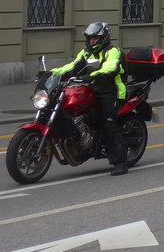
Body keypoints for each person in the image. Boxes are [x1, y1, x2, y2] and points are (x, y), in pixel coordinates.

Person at [51, 21, 129, 175]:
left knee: (108, 125)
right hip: (92, 90)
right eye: (90, 38)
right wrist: (54, 73)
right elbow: (73, 67)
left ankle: (120, 163)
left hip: (111, 92)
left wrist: (90, 76)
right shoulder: (86, 53)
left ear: (103, 37)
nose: (92, 41)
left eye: (95, 38)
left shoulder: (113, 51)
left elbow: (110, 68)